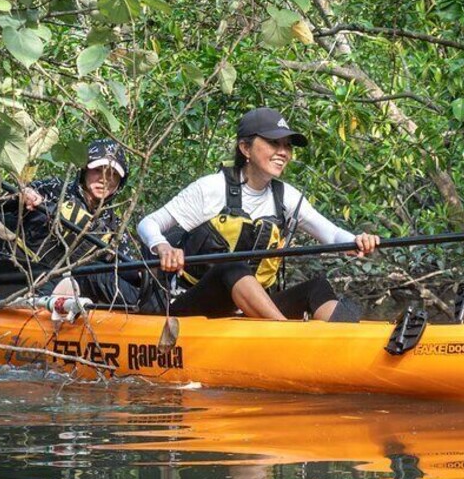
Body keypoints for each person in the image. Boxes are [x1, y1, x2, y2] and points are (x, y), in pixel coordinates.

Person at [137, 107, 380, 321]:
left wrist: (356, 240)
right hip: (194, 305)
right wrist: (163, 248)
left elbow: (333, 235)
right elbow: (149, 223)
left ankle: (350, 342)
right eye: (274, 143)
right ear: (245, 148)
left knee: (317, 288)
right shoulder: (211, 188)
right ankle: (285, 336)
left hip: (250, 311)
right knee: (231, 265)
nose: (283, 152)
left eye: (287, 146)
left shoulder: (286, 197)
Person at [0, 139, 156, 309]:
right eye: (99, 171)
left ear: (120, 184)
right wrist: (21, 198)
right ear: (84, 170)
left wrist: (146, 272)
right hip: (23, 273)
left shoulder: (113, 224)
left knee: (125, 281)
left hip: (69, 286)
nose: (105, 180)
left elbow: (128, 263)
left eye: (113, 175)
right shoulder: (53, 189)